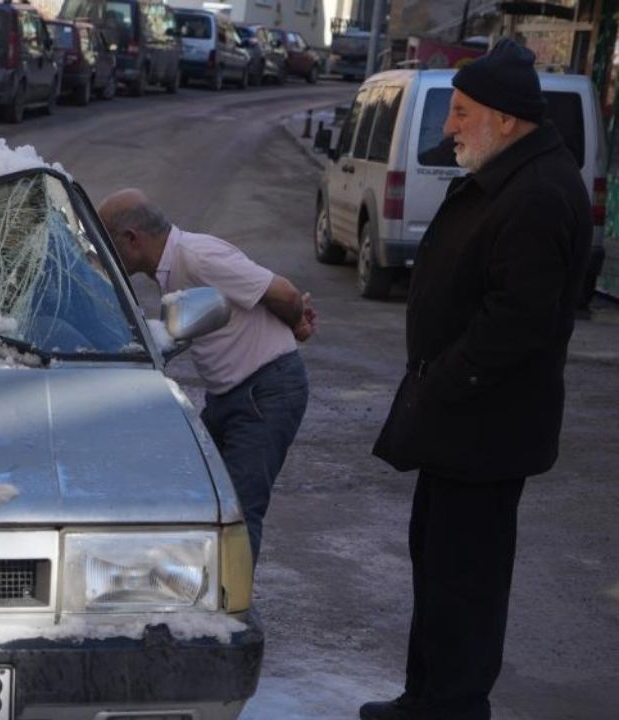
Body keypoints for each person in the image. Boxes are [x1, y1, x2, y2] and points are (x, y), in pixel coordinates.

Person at [365, 39, 591, 720]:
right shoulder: (515, 173)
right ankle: (424, 698)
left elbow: (516, 323)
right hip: (458, 427)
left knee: (466, 581)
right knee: (438, 569)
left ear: (506, 118)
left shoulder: (540, 193)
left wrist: (445, 381)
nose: (449, 126)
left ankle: (453, 707)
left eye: (461, 112)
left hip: (484, 428)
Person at [98, 189, 315, 562]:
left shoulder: (198, 256)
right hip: (229, 397)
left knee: (238, 513)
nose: (102, 255)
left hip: (266, 392)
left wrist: (297, 323)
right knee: (199, 496)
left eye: (106, 243)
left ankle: (232, 615)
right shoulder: (172, 267)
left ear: (131, 239)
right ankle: (199, 596)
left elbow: (284, 292)